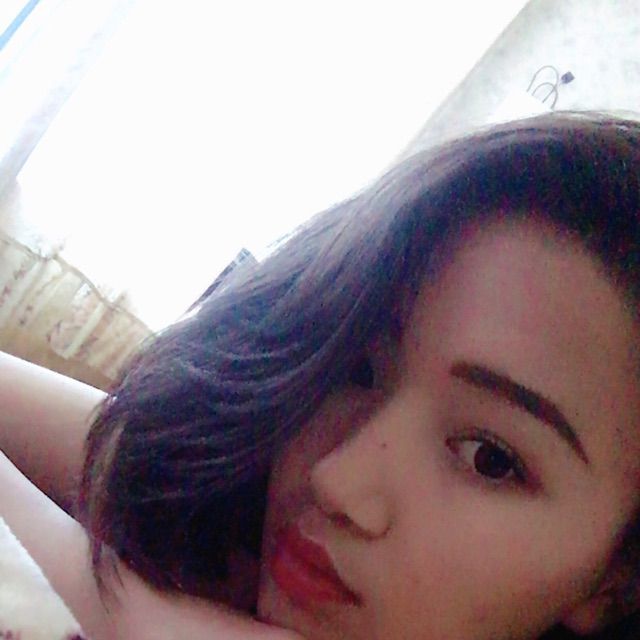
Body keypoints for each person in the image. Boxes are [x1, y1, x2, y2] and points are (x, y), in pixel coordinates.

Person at [3, 111, 640, 639]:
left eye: (489, 459)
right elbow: (122, 450)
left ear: (618, 579)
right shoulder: (240, 503)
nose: (336, 479)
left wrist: (131, 613)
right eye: (357, 368)